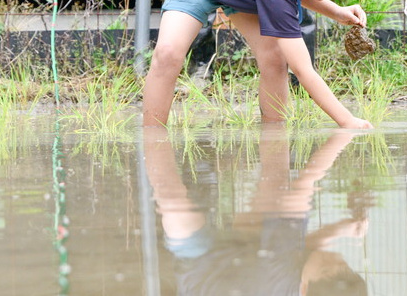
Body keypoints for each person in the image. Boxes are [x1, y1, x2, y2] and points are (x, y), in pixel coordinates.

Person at [143, 0, 374, 129]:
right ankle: (152, 142)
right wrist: (347, 120)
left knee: (275, 57)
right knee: (167, 54)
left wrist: (337, 11)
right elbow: (303, 70)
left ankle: (275, 138)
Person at [143, 123, 370, 295]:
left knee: (170, 196)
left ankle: (152, 138)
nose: (338, 255)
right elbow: (300, 249)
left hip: (199, 261)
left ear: (309, 284)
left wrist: (340, 141)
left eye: (339, 262)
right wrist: (342, 228)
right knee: (172, 203)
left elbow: (303, 188)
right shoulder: (291, 279)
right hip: (205, 270)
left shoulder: (282, 273)